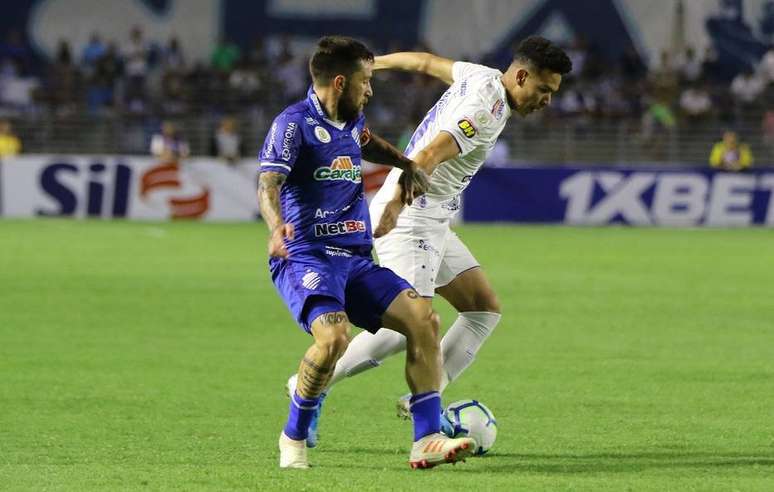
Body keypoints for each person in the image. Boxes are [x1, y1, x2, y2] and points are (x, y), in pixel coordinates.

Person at [292, 36, 571, 438]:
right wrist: (394, 208)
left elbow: (423, 62)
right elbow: (427, 157)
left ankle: (425, 397)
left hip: (432, 218)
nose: (547, 100)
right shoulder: (486, 110)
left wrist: (375, 63)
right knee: (404, 325)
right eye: (544, 90)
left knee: (483, 308)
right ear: (522, 75)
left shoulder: (482, 76)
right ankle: (306, 388)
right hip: (412, 217)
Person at [259, 36, 475, 470]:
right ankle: (293, 435)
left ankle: (426, 439)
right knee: (334, 339)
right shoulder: (293, 124)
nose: (371, 90)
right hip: (306, 255)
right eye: (366, 81)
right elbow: (268, 184)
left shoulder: (350, 121)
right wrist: (274, 226)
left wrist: (408, 163)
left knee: (423, 320)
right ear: (340, 82)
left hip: (355, 258)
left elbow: (369, 142)